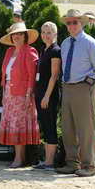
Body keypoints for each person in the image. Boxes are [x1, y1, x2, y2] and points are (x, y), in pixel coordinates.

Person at [57, 9, 95, 177]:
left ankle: (89, 165)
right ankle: (72, 163)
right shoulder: (65, 43)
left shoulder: (90, 43)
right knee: (68, 127)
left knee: (86, 128)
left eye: (75, 22)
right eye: (69, 23)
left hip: (84, 88)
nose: (71, 25)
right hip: (68, 87)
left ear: (81, 23)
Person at [0, 22, 40, 168]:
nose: (16, 36)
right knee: (13, 124)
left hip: (22, 94)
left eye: (20, 34)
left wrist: (29, 94)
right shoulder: (9, 52)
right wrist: (4, 92)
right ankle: (19, 157)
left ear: (25, 36)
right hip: (9, 93)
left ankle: (19, 158)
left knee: (18, 126)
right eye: (14, 34)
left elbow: (31, 75)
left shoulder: (30, 51)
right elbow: (5, 74)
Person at [33, 22, 61, 170]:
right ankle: (46, 160)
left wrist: (46, 96)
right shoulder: (43, 49)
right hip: (40, 93)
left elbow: (54, 75)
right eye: (43, 32)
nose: (46, 35)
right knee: (44, 125)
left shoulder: (56, 50)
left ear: (55, 34)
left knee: (50, 126)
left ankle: (50, 162)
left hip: (49, 95)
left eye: (49, 32)